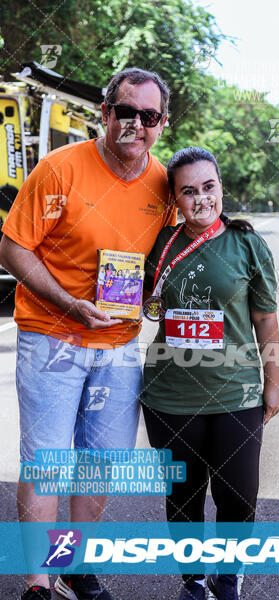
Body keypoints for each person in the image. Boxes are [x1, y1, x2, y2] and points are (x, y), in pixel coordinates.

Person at [0, 67, 176, 600]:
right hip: (51, 338)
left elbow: (159, 261)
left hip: (118, 346)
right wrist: (68, 302)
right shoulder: (60, 170)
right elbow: (11, 247)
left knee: (102, 467)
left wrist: (153, 295)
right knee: (47, 463)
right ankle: (37, 584)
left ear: (161, 124)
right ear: (106, 114)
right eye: (128, 112)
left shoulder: (163, 183)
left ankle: (72, 564)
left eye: (150, 116)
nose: (137, 125)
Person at [141, 147, 279, 600]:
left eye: (209, 186)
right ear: (175, 200)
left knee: (238, 497)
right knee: (182, 497)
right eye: (188, 191)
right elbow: (135, 303)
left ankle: (228, 576)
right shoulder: (159, 245)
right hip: (169, 396)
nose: (201, 198)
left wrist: (274, 381)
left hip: (236, 394)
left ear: (221, 187)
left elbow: (265, 318)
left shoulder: (247, 244)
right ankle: (193, 580)